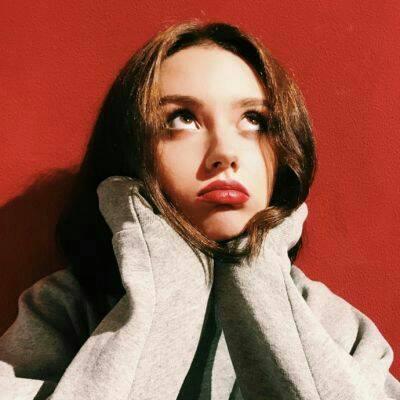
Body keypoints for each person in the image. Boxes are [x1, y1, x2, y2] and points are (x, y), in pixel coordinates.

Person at [0, 20, 399, 400]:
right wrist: (166, 288)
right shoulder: (61, 309)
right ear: (130, 149)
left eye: (254, 120)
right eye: (182, 118)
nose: (224, 152)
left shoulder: (332, 324)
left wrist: (256, 276)